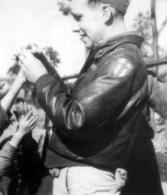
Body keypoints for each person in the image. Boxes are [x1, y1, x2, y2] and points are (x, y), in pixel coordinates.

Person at [18, 0, 161, 194]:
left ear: (105, 13)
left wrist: (41, 79)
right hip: (79, 175)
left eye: (79, 17)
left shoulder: (122, 60)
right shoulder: (108, 56)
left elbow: (77, 118)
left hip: (88, 178)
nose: (76, 27)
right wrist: (46, 69)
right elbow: (76, 105)